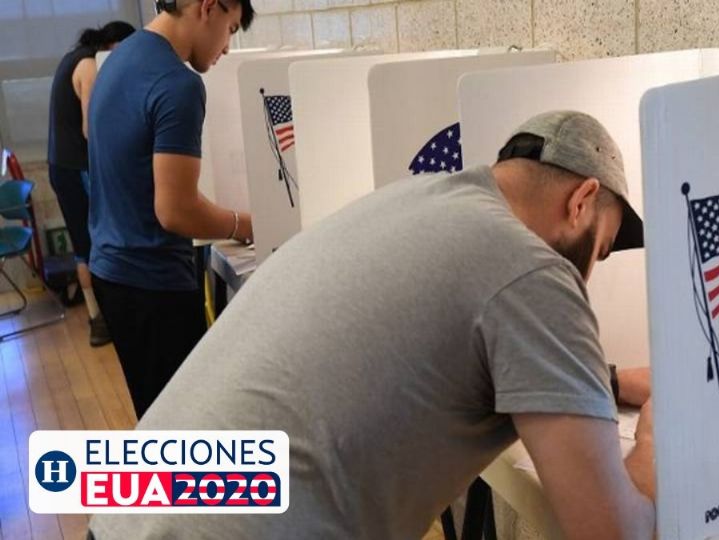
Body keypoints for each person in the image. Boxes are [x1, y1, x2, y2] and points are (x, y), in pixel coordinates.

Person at [89, 111, 657, 539]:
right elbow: (611, 530)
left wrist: (605, 380)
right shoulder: (531, 267)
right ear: (581, 202)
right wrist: (656, 439)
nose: (587, 279)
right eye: (600, 250)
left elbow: (452, 335)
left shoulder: (416, 202)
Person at [86, 0, 255, 418]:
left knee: (159, 420)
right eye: (231, 28)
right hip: (153, 285)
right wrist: (243, 224)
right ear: (209, 7)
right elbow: (175, 212)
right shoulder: (177, 83)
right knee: (187, 427)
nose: (228, 47)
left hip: (112, 273)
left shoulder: (121, 56)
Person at [47, 21, 135, 347]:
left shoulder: (73, 57)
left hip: (61, 166)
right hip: (78, 167)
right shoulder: (89, 65)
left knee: (84, 245)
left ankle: (98, 318)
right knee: (98, 244)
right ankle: (106, 320)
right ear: (114, 45)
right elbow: (91, 129)